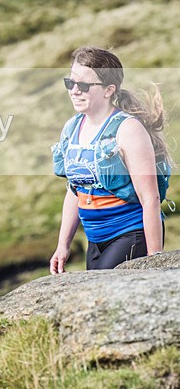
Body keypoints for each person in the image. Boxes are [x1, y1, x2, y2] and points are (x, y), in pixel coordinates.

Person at [50, 46, 170, 273]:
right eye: (70, 83)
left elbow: (150, 198)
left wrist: (155, 259)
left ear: (108, 90)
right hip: (95, 240)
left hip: (130, 234)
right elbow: (75, 190)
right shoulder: (72, 127)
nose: (74, 91)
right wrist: (63, 245)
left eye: (83, 85)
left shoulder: (128, 129)